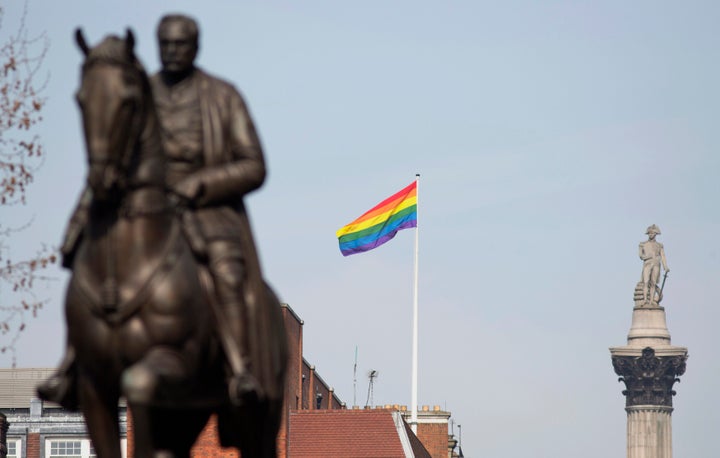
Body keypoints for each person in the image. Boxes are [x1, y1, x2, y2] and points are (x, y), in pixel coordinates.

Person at [39, 13, 270, 407]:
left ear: (195, 47)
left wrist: (201, 183)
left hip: (203, 207)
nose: (171, 52)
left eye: (180, 45)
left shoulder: (223, 96)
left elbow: (253, 165)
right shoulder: (137, 90)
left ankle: (239, 369)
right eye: (165, 44)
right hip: (142, 203)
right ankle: (71, 365)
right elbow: (111, 150)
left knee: (228, 270)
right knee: (91, 261)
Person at [639, 224, 669, 305]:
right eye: (649, 233)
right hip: (647, 264)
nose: (651, 234)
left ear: (655, 234)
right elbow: (641, 256)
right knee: (646, 282)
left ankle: (651, 300)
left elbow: (663, 256)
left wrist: (665, 267)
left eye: (652, 233)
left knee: (653, 283)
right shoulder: (643, 244)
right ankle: (645, 299)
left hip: (656, 264)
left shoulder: (659, 245)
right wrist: (646, 257)